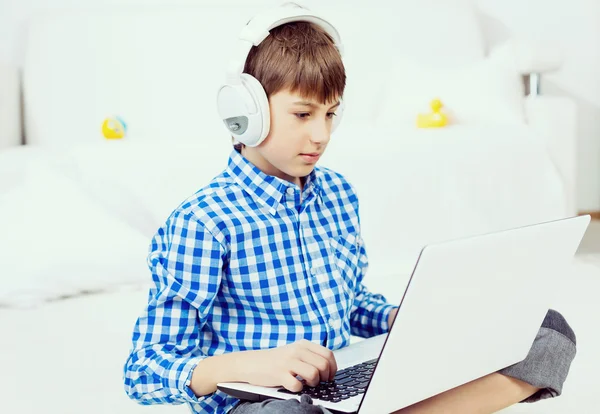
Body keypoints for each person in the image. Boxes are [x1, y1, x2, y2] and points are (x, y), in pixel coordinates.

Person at [123, 3, 577, 413]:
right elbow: (145, 367)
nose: (321, 135)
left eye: (331, 114)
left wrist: (406, 319)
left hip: (342, 384)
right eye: (303, 114)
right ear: (246, 112)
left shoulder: (337, 194)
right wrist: (258, 365)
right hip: (266, 403)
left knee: (546, 331)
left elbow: (349, 305)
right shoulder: (203, 221)